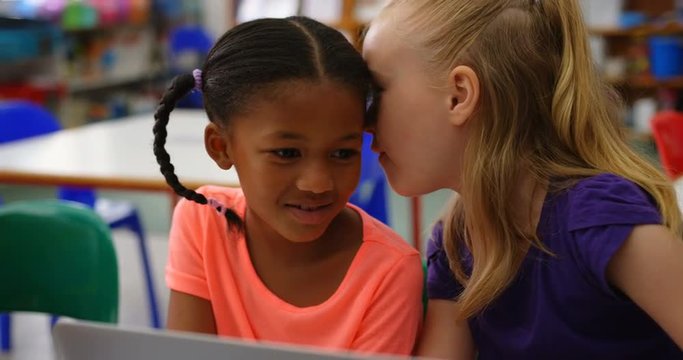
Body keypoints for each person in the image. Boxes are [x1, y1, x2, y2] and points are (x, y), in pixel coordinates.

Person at [361, 0, 683, 358]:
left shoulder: (598, 218)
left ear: (459, 95)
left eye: (376, 92)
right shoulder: (456, 240)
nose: (364, 122)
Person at [152, 16, 423, 355]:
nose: (317, 183)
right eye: (286, 153)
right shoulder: (203, 222)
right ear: (221, 147)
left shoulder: (391, 273)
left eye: (342, 153)